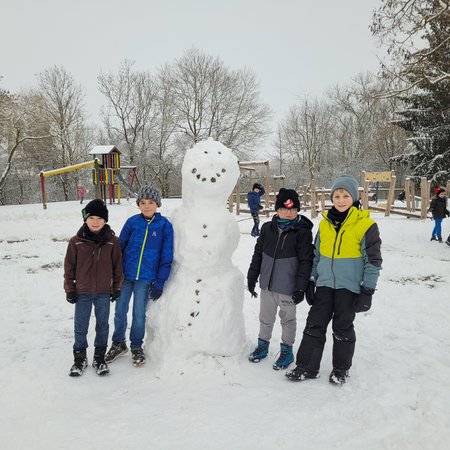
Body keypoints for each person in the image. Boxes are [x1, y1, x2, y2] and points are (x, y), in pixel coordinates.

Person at [286, 175, 382, 385]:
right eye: (337, 195)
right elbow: (316, 255)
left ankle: (340, 369)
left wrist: (368, 290)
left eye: (345, 195)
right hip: (324, 285)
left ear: (354, 197)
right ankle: (306, 367)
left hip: (349, 288)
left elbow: (373, 261)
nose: (340, 200)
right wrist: (312, 280)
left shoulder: (366, 225)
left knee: (342, 328)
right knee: (314, 325)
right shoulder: (325, 224)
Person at [105, 185, 174, 367]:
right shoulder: (132, 222)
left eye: (150, 202)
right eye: (142, 202)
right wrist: (114, 273)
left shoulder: (165, 226)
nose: (146, 206)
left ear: (157, 204)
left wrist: (160, 281)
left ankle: (136, 346)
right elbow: (119, 249)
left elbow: (166, 256)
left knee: (139, 314)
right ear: (138, 204)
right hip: (126, 276)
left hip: (146, 278)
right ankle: (118, 343)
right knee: (120, 311)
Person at [247, 188, 314, 370]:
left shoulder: (302, 231)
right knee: (265, 317)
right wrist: (252, 277)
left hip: (288, 287)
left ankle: (287, 350)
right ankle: (263, 345)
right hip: (267, 285)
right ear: (277, 210)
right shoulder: (267, 228)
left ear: (297, 210)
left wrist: (301, 287)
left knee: (288, 320)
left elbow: (306, 261)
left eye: (293, 209)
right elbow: (258, 254)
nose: (289, 212)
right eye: (284, 209)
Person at [64, 199, 124, 377]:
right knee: (80, 326)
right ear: (85, 219)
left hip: (103, 293)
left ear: (105, 220)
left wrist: (116, 288)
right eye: (92, 218)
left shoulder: (113, 242)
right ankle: (79, 358)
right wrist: (70, 289)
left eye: (99, 218)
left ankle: (99, 357)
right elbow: (69, 268)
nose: (95, 222)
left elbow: (118, 267)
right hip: (82, 292)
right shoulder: (76, 242)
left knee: (102, 325)